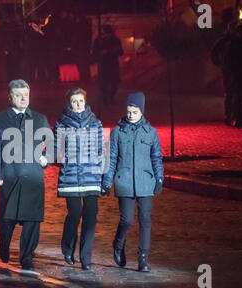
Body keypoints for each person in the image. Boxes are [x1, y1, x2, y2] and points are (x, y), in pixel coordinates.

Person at [0, 79, 51, 271]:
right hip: (10, 176)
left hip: (33, 177)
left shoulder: (39, 119)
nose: (23, 98)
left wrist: (46, 157)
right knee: (8, 219)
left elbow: (52, 141)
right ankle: (4, 243)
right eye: (18, 95)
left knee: (33, 219)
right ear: (10, 97)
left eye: (26, 95)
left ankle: (26, 257)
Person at [102, 92, 163, 272]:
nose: (130, 115)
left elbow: (156, 157)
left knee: (145, 220)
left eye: (134, 112)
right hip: (125, 181)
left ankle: (143, 258)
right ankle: (118, 245)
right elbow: (111, 158)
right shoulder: (118, 132)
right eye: (129, 111)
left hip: (146, 181)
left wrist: (159, 177)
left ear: (141, 111)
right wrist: (107, 181)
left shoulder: (151, 132)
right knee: (127, 220)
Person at [54, 87, 104, 270]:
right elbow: (56, 151)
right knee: (74, 214)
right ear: (69, 103)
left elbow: (101, 152)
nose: (78, 105)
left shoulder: (95, 124)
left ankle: (86, 257)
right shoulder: (61, 124)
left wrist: (104, 176)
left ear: (85, 101)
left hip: (92, 177)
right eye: (74, 101)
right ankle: (68, 248)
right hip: (70, 178)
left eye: (80, 101)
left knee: (90, 217)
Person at [222, 24, 242, 128]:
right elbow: (227, 60)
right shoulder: (234, 44)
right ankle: (238, 119)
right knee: (239, 98)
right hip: (237, 75)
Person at [211, 21, 237, 126]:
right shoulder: (223, 41)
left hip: (235, 70)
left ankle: (234, 115)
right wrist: (220, 64)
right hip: (228, 70)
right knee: (229, 93)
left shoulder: (235, 40)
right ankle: (229, 115)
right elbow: (214, 53)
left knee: (235, 94)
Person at [92, 25, 124, 109]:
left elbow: (121, 52)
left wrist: (114, 51)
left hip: (113, 63)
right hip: (103, 64)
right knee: (104, 82)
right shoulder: (99, 41)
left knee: (114, 81)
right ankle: (105, 99)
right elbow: (94, 52)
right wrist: (101, 53)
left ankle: (111, 97)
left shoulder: (115, 40)